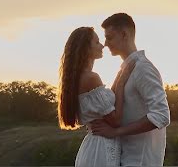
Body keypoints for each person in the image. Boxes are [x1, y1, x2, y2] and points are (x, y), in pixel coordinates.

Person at [88, 13, 171, 166]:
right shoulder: (125, 70)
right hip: (125, 157)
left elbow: (162, 115)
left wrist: (115, 132)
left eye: (110, 37)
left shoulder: (143, 68)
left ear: (124, 34)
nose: (105, 43)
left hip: (140, 161)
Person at [57, 26, 137, 167]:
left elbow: (105, 104)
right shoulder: (91, 78)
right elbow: (115, 120)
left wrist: (119, 78)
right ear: (86, 49)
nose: (102, 45)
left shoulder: (80, 78)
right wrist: (121, 83)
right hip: (101, 150)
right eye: (97, 42)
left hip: (93, 147)